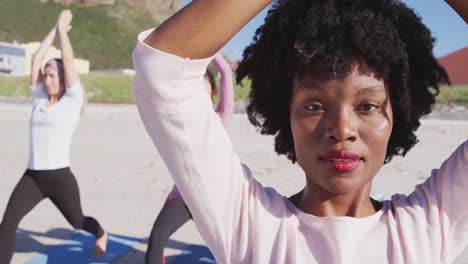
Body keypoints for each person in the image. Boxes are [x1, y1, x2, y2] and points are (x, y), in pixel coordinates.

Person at [133, 0, 468, 263]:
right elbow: (163, 68)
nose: (342, 129)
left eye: (367, 106)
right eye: (314, 106)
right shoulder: (252, 227)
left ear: (397, 116)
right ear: (285, 113)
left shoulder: (428, 227)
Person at [0, 10, 108, 263]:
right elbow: (36, 59)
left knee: (77, 221)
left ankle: (100, 232)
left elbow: (68, 62)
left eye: (52, 76)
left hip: (59, 177)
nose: (46, 80)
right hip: (33, 177)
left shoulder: (71, 101)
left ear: (63, 80)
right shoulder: (39, 99)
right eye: (45, 76)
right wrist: (54, 27)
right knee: (8, 222)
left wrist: (62, 31)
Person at [145, 54, 234, 264]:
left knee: (230, 251)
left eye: (202, 85)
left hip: (215, 200)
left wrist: (207, 50)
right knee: (157, 238)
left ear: (213, 92)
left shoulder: (220, 117)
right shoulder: (179, 119)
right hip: (183, 197)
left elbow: (226, 73)